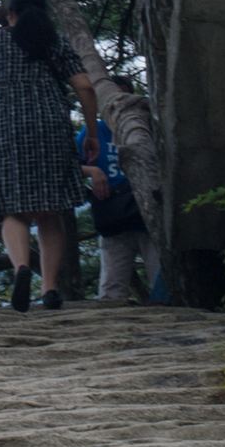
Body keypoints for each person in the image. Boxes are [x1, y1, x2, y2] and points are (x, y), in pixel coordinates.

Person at [0, 0, 97, 312]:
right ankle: (49, 289)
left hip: (6, 129)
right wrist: (92, 132)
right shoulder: (55, 42)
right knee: (50, 210)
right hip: (52, 127)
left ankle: (20, 267)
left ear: (10, 13)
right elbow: (85, 87)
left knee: (12, 209)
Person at [76, 107, 146, 303]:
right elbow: (67, 164)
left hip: (148, 210)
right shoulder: (92, 134)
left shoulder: (144, 129)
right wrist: (92, 171)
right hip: (113, 212)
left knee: (163, 274)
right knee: (112, 287)